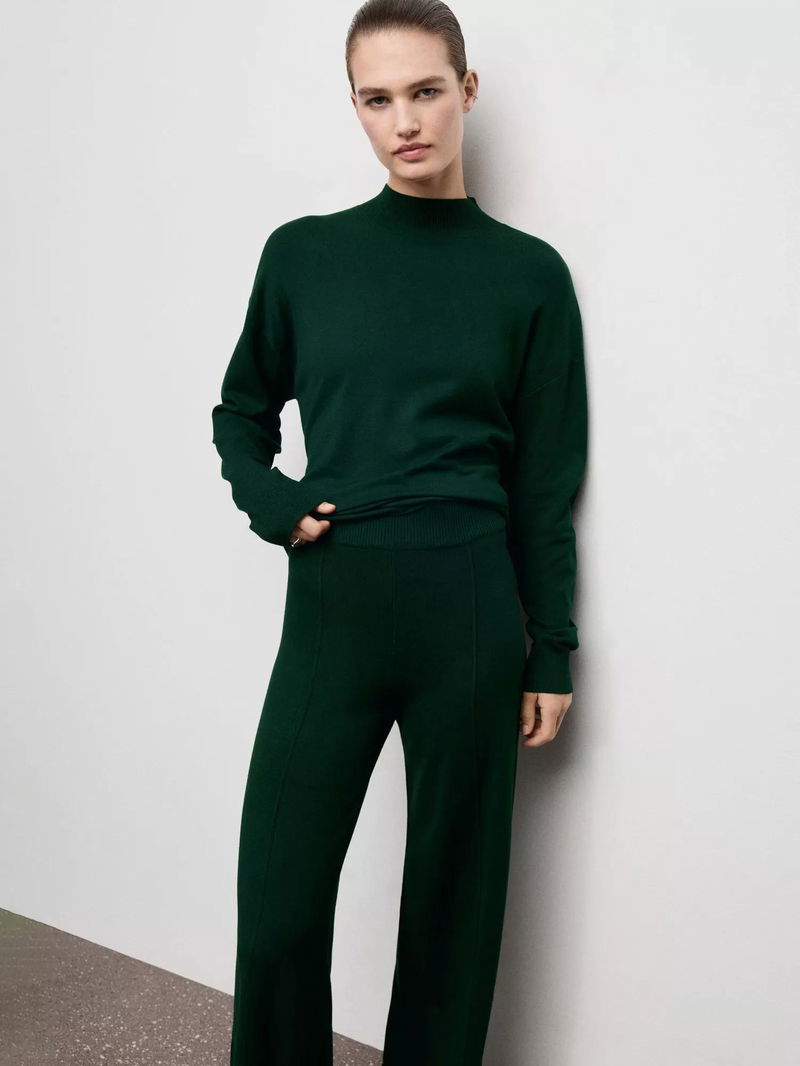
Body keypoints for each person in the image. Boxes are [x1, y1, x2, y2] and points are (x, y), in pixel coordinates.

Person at [211, 1, 588, 1062]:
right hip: (334, 600)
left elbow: (543, 486)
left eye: (424, 91)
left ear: (466, 91)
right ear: (355, 109)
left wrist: (552, 649)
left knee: (452, 914)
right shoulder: (304, 255)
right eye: (376, 99)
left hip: (469, 611)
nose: (404, 121)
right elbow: (240, 411)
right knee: (278, 900)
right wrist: (270, 501)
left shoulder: (529, 276)